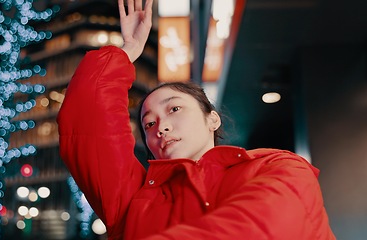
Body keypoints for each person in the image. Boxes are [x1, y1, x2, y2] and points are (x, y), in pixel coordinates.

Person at [57, 0, 336, 239]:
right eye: (149, 124)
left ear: (212, 119)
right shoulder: (132, 200)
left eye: (174, 109)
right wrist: (126, 52)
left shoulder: (277, 166)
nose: (161, 127)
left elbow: (257, 227)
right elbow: (86, 125)